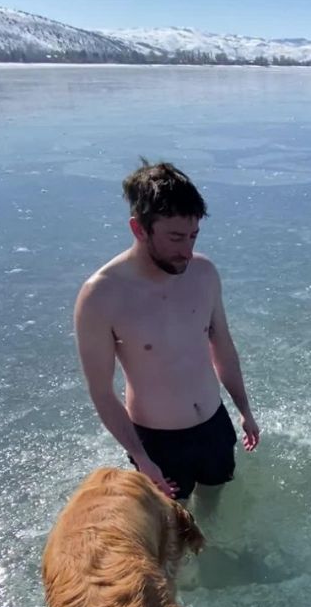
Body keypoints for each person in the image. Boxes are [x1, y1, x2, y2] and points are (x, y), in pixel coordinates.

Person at [74, 160, 259, 501]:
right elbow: (101, 391)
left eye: (193, 236)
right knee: (173, 528)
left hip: (214, 424)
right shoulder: (101, 296)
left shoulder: (203, 274)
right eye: (175, 238)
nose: (187, 251)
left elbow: (223, 348)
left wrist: (244, 410)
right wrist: (141, 457)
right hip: (157, 442)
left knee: (215, 502)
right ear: (139, 229)